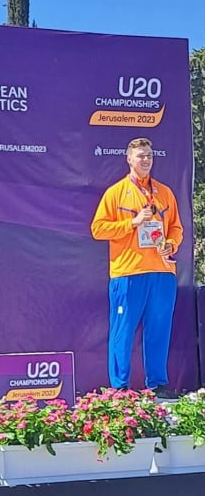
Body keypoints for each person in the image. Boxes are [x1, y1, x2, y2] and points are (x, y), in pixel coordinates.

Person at [90, 137, 182, 398]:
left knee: (159, 330)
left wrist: (171, 244)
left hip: (162, 272)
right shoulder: (116, 192)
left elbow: (176, 227)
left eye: (149, 156)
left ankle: (158, 384)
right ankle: (119, 387)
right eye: (141, 156)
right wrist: (132, 222)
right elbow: (98, 229)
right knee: (123, 331)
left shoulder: (164, 192)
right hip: (128, 273)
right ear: (129, 159)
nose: (146, 160)